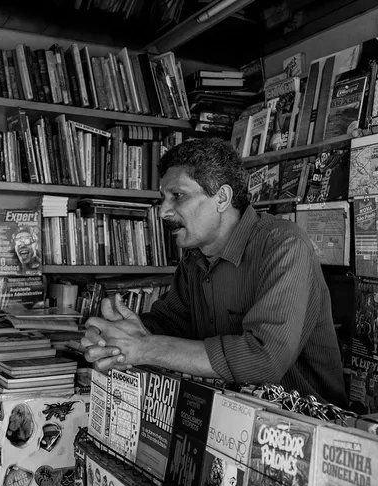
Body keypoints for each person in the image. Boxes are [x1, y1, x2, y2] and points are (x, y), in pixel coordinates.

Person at [81, 138, 346, 405]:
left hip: (300, 420)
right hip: (226, 415)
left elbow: (264, 359)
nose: (163, 212)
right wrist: (116, 338)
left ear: (222, 198)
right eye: (163, 198)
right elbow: (168, 326)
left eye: (178, 196)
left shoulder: (284, 245)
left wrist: (144, 348)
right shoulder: (194, 260)